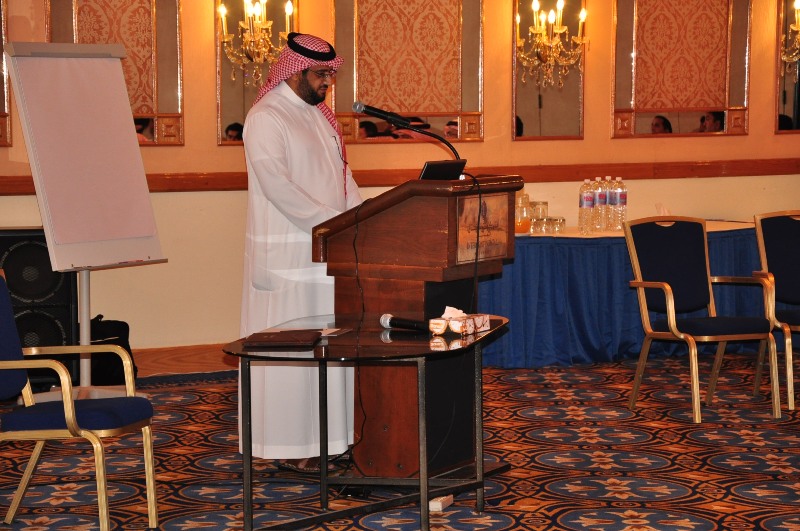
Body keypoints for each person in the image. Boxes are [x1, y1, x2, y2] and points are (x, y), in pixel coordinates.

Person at [241, 32, 363, 471]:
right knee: (292, 358)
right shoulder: (266, 117)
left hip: (327, 255)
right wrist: (332, 224)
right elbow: (278, 187)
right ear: (294, 72)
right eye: (320, 74)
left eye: (330, 73)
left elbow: (343, 179)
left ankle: (332, 440)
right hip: (288, 260)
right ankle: (290, 448)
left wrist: (364, 217)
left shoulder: (319, 117)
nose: (328, 82)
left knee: (329, 349)